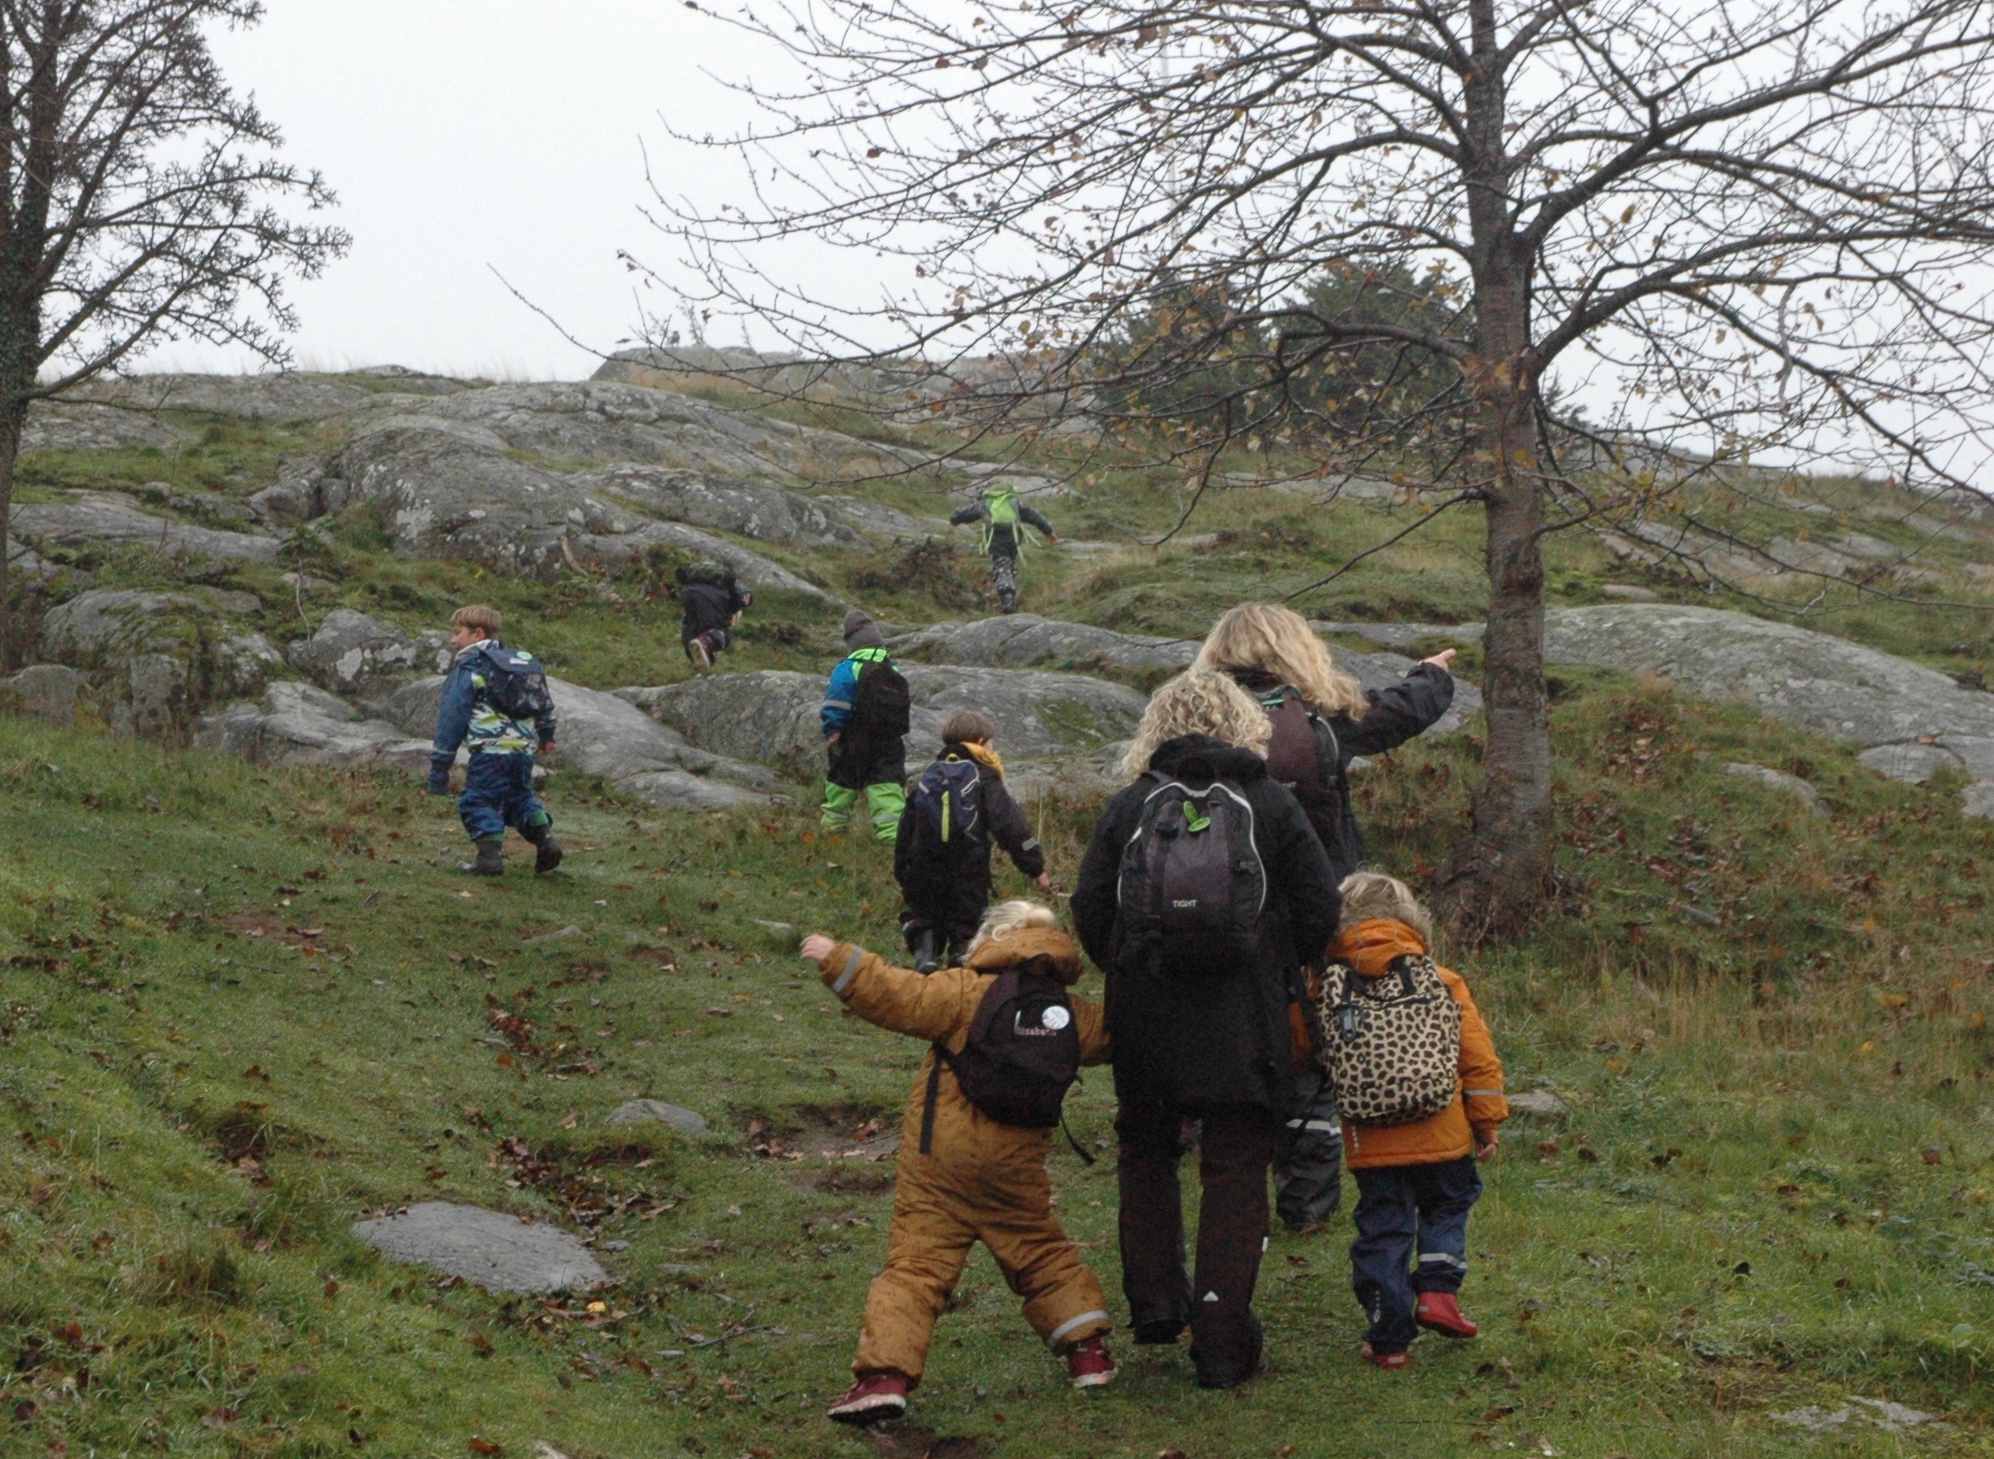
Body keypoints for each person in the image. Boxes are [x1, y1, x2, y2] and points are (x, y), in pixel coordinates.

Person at [1070, 670, 1340, 1389]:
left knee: (1146, 1149)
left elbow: (1090, 904)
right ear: (1242, 723)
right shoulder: (1270, 802)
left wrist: (1127, 965)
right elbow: (1321, 906)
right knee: (1236, 1162)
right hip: (1244, 1015)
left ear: (1155, 727)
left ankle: (1157, 1303)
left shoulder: (1131, 803)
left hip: (1146, 1009)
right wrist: (1277, 962)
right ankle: (1222, 1342)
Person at [1194, 602, 1458, 1235]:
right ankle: (1307, 1199)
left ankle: (1218, 1153)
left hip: (1219, 904)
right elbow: (1393, 714)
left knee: (1228, 1028)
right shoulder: (1317, 715)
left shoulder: (1197, 712)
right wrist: (1432, 675)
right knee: (1312, 1040)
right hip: (1313, 898)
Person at [800, 901, 1117, 1425]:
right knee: (1040, 1252)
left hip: (941, 1169)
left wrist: (838, 959)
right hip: (1015, 1170)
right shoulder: (1069, 1011)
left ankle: (884, 1378)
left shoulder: (963, 991)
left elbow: (897, 995)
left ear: (993, 938)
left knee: (916, 1267)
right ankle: (1089, 1353)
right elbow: (1117, 1036)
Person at [1321, 873, 1506, 1369]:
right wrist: (1486, 1121)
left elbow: (1301, 1047)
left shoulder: (1328, 984)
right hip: (1443, 1133)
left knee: (1384, 1228)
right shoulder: (1441, 979)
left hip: (1372, 1142)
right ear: (1411, 919)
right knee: (1448, 1202)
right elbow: (1478, 1059)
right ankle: (1438, 1291)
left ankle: (1389, 1342)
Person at [896, 710, 1053, 973]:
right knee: (966, 926)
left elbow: (906, 830)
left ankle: (926, 957)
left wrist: (902, 871)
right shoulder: (984, 777)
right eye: (991, 742)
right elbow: (1011, 827)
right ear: (980, 741)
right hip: (968, 867)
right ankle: (960, 970)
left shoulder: (930, 775)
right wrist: (1036, 867)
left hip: (923, 867)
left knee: (924, 918)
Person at [428, 605, 561, 877]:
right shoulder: (520, 665)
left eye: (458, 632)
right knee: (519, 796)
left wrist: (440, 768)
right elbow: (543, 703)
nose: (453, 640)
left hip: (489, 752)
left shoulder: (470, 667)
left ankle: (488, 859)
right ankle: (546, 840)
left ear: (477, 633)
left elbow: (451, 719)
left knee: (478, 800)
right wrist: (547, 735)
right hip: (523, 752)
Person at [821, 610, 911, 841]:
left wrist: (832, 728)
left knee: (842, 784)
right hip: (888, 741)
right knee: (886, 786)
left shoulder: (849, 667)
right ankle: (892, 836)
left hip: (854, 738)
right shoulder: (892, 669)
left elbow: (835, 700)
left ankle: (833, 830)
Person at [950, 483, 1058, 614]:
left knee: (1001, 563)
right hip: (1014, 539)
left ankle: (1007, 598)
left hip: (996, 539)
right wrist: (1048, 531)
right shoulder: (1014, 502)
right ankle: (1008, 594)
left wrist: (954, 519)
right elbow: (1034, 516)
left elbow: (964, 513)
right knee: (1008, 563)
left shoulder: (984, 503)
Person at [675, 561, 753, 672]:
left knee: (694, 633)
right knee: (722, 634)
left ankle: (699, 664)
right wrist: (733, 612)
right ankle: (705, 642)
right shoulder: (737, 587)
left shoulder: (704, 577)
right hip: (708, 597)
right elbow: (744, 598)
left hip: (687, 592)